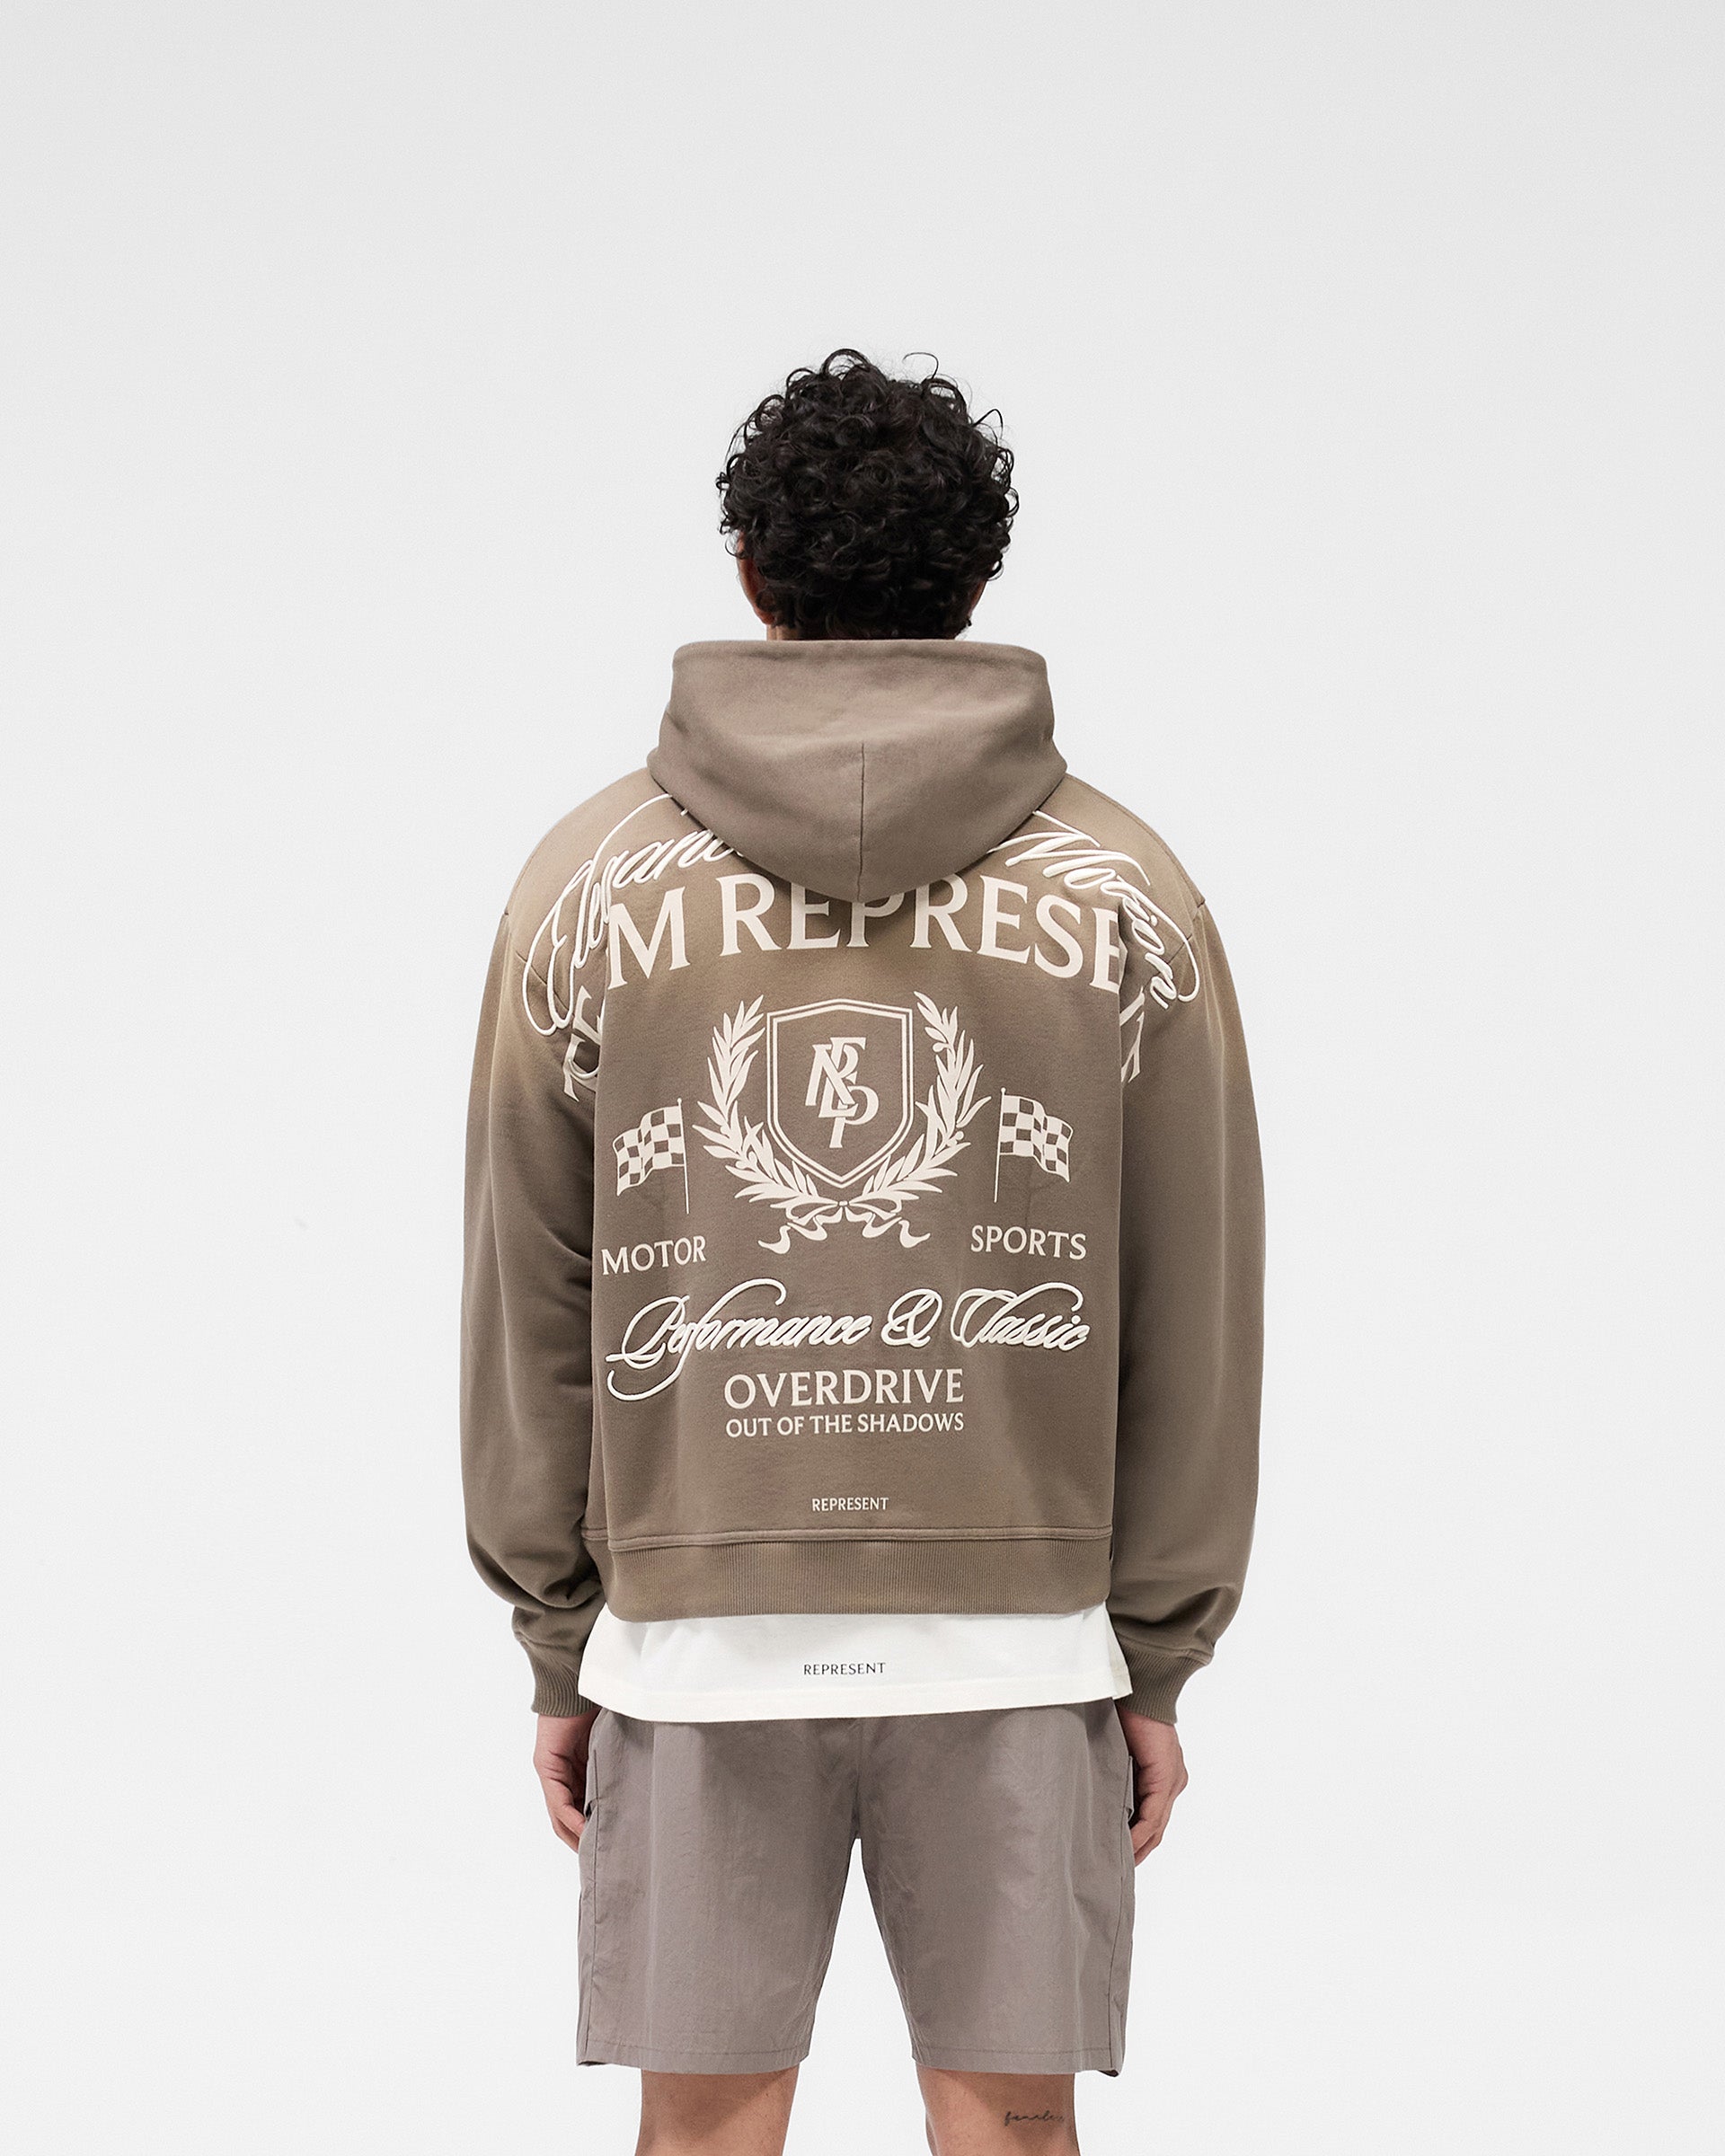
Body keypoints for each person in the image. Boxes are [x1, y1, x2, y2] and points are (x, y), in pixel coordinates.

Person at [462, 349, 1263, 2156]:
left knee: (704, 2132)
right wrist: (1152, 1653)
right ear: (976, 580)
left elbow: (531, 1293)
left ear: (751, 570)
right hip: (1021, 1640)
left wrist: (561, 1636)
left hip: (693, 1636)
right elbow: (1194, 1305)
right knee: (1012, 2128)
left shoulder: (588, 891)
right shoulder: (1126, 899)